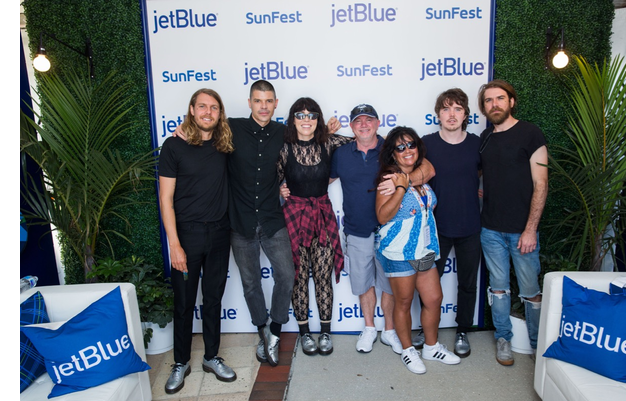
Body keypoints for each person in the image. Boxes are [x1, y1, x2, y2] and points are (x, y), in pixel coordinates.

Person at [172, 81, 340, 367]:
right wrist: (181, 129)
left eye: (269, 101)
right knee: (251, 283)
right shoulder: (231, 128)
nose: (263, 106)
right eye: (258, 101)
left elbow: (308, 145)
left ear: (276, 104)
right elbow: (205, 124)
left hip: (274, 220)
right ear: (249, 102)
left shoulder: (283, 133)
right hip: (239, 222)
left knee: (287, 275)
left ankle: (274, 332)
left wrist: (328, 130)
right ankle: (262, 331)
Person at [329, 104, 434, 355]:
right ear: (352, 127)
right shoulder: (341, 154)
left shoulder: (391, 148)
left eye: (369, 120)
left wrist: (402, 182)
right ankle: (368, 328)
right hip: (357, 230)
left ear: (378, 123)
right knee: (364, 284)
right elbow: (322, 179)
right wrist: (287, 187)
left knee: (389, 285)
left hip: (391, 230)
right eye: (358, 121)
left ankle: (388, 330)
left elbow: (428, 169)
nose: (364, 125)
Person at [158, 88, 236, 394]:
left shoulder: (225, 145)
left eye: (214, 108)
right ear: (191, 110)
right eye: (202, 106)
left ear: (220, 113)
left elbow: (259, 126)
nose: (208, 112)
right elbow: (166, 199)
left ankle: (212, 357)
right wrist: (174, 244)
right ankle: (181, 362)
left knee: (213, 300)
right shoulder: (174, 146)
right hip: (187, 238)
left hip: (220, 235)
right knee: (184, 302)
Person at [374, 126, 460, 374]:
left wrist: (408, 180)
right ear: (393, 154)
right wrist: (400, 188)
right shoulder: (388, 180)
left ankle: (431, 347)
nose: (407, 150)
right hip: (399, 252)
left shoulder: (420, 174)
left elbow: (428, 168)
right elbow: (381, 216)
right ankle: (408, 350)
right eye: (400, 148)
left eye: (410, 144)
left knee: (434, 299)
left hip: (424, 249)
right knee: (403, 302)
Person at [477, 79, 548, 366]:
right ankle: (503, 339)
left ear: (511, 101)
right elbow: (483, 174)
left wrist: (530, 229)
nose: (494, 104)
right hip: (490, 228)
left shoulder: (530, 134)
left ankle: (537, 346)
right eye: (488, 101)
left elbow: (541, 184)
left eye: (499, 99)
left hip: (523, 230)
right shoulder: (484, 137)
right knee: (498, 287)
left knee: (531, 291)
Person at [277, 97, 349, 356]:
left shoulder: (329, 143)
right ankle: (305, 333)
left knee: (322, 277)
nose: (306, 119)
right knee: (298, 279)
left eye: (312, 114)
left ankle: (326, 332)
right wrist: (279, 188)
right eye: (300, 114)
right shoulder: (283, 148)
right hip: (294, 217)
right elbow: (264, 179)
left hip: (322, 216)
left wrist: (330, 132)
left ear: (318, 119)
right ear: (292, 119)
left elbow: (365, 144)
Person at [413, 88, 482, 358]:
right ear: (438, 114)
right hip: (435, 229)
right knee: (428, 283)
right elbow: (413, 175)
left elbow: (481, 174)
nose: (451, 114)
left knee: (467, 282)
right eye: (445, 108)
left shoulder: (477, 143)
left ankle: (463, 329)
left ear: (465, 114)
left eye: (457, 109)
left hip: (470, 227)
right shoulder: (426, 143)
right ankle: (426, 328)